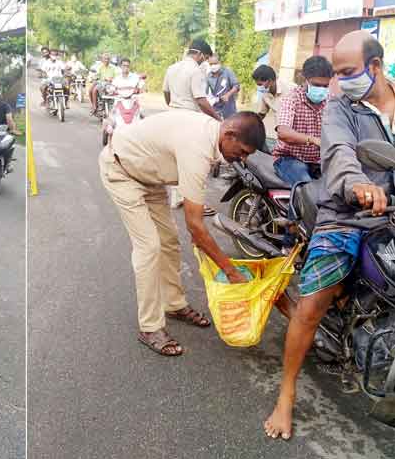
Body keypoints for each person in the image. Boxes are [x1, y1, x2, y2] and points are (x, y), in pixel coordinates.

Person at [264, 31, 395, 441]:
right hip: (347, 213)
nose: (340, 81)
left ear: (375, 66)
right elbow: (338, 151)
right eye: (336, 73)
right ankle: (286, 395)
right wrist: (359, 185)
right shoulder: (342, 107)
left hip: (390, 214)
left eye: (348, 72)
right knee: (313, 302)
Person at [100, 111, 266, 357]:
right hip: (121, 172)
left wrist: (198, 233)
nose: (241, 159)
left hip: (151, 178)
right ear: (229, 134)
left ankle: (174, 304)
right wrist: (229, 271)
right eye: (241, 151)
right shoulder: (197, 147)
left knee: (169, 242)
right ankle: (150, 327)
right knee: (149, 248)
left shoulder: (213, 138)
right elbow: (196, 225)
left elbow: (195, 223)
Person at [163, 39, 220, 214]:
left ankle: (176, 198)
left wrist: (172, 106)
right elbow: (201, 100)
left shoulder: (172, 68)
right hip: (189, 120)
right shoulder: (195, 71)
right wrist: (217, 118)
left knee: (175, 159)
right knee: (195, 161)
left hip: (172, 117)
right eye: (205, 57)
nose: (204, 61)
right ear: (200, 54)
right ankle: (196, 203)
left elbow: (166, 92)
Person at [272, 56, 332, 186]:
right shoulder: (291, 99)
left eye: (325, 86)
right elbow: (283, 132)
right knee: (307, 191)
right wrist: (313, 140)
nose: (321, 90)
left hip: (319, 161)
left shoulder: (331, 101)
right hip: (289, 159)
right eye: (316, 85)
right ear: (305, 79)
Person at [205, 55, 241, 119]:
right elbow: (206, 94)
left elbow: (236, 85)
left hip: (229, 108)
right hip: (216, 109)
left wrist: (228, 95)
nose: (213, 66)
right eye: (211, 64)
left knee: (230, 126)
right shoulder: (208, 77)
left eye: (215, 63)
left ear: (219, 62)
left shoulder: (227, 72)